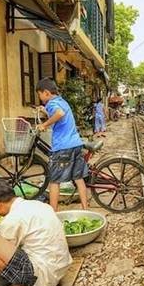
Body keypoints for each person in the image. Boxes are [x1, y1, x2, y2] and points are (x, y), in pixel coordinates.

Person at [0, 179, 72, 286]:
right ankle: (25, 284)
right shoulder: (37, 204)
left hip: (45, 278)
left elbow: (6, 260)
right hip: (61, 268)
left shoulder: (10, 220)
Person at [36, 78, 88, 211]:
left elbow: (59, 113)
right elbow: (60, 113)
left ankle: (53, 212)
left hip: (62, 147)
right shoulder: (61, 101)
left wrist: (44, 124)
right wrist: (45, 111)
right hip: (76, 144)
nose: (40, 98)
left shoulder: (52, 103)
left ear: (46, 93)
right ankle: (85, 209)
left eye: (40, 95)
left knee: (54, 181)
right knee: (78, 178)